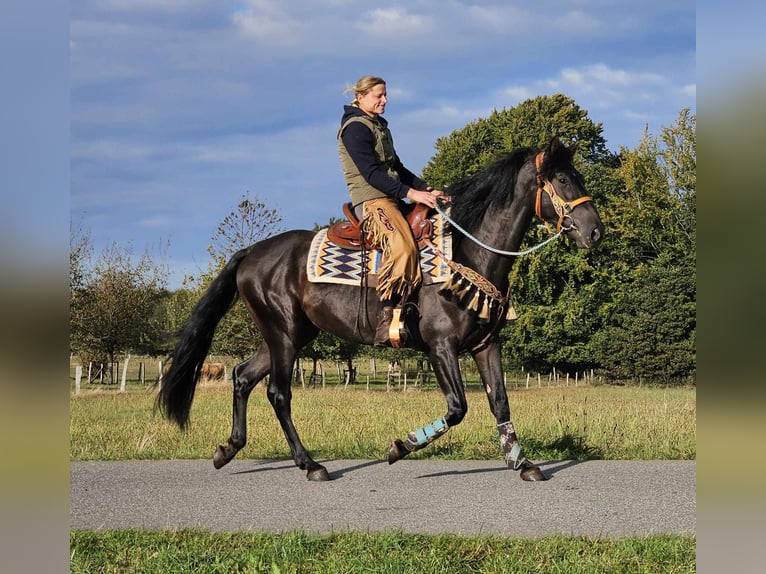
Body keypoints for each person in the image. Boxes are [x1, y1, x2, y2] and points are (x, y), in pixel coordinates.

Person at [337, 75, 447, 346]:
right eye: (378, 96)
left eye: (385, 95)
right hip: (372, 200)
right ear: (360, 97)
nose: (384, 100)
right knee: (401, 246)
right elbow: (372, 174)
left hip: (393, 197)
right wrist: (412, 193)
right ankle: (386, 317)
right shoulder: (355, 128)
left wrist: (427, 189)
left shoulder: (379, 126)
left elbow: (397, 167)